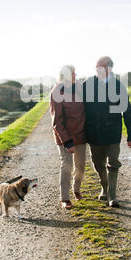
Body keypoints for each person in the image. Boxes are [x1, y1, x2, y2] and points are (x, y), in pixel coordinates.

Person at [83, 56, 131, 207]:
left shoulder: (118, 86)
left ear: (109, 69)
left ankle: (112, 195)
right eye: (96, 67)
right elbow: (79, 107)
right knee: (97, 164)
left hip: (112, 132)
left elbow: (128, 112)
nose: (96, 69)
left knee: (113, 162)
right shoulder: (88, 84)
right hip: (94, 133)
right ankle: (104, 187)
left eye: (99, 67)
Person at [50, 65, 86, 210]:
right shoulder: (56, 92)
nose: (75, 75)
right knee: (66, 166)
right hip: (64, 137)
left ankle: (76, 188)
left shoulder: (78, 87)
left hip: (81, 134)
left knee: (81, 166)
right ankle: (65, 198)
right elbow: (57, 121)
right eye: (72, 74)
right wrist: (68, 141)